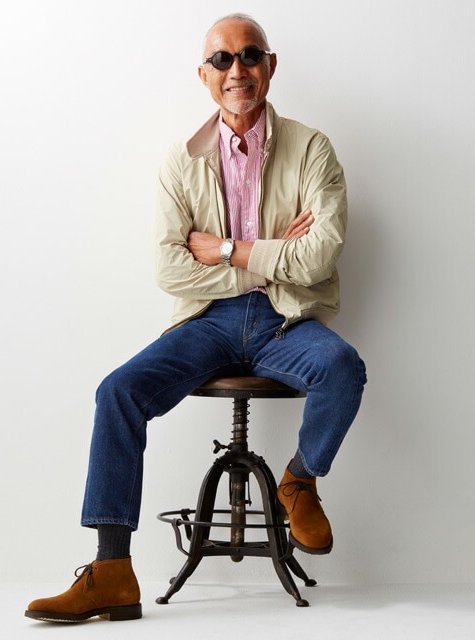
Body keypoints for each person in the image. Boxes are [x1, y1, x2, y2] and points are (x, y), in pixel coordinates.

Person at [25, 13, 366, 623]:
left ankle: (298, 480)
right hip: (208, 320)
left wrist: (228, 248)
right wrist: (269, 259)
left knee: (342, 366)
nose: (238, 70)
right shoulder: (181, 162)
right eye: (222, 59)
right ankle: (111, 571)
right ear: (204, 75)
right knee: (118, 391)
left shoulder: (311, 148)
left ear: (270, 65)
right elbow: (171, 269)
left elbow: (320, 255)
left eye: (250, 55)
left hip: (285, 318)